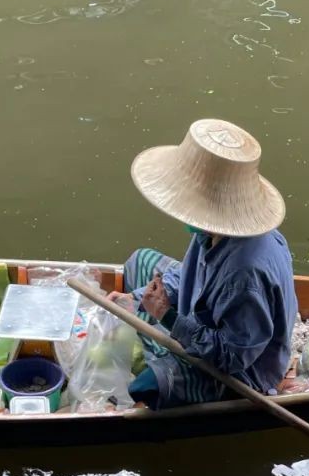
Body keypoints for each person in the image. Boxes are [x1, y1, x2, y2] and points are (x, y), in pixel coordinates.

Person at [122, 118, 297, 408]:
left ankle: (166, 355)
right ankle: (159, 339)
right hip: (203, 319)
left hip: (240, 374)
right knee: (139, 261)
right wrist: (136, 298)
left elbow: (232, 357)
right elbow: (189, 275)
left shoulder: (245, 273)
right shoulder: (211, 229)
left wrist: (167, 316)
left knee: (147, 387)